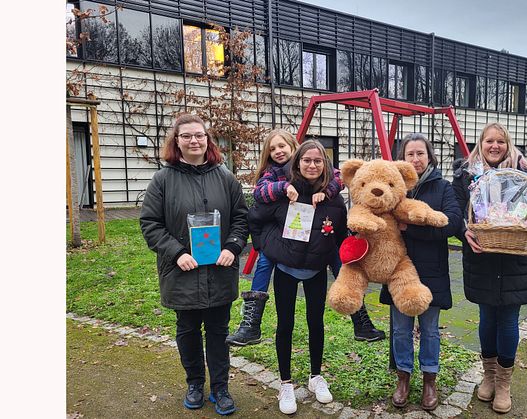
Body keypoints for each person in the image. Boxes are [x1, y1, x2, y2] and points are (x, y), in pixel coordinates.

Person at [226, 129, 385, 346]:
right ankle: (251, 323)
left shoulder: (316, 164)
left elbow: (338, 178)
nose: (278, 152)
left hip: (319, 241)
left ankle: (361, 321)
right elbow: (259, 197)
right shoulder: (274, 174)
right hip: (285, 242)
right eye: (272, 149)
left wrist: (327, 192)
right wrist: (283, 189)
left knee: (342, 265)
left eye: (282, 146)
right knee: (265, 261)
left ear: (294, 147)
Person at [139, 114, 249, 416]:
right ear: (177, 141)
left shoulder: (225, 177)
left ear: (207, 139)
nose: (194, 141)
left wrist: (233, 246)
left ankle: (220, 388)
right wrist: (175, 252)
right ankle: (195, 383)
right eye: (186, 136)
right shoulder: (163, 180)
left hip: (219, 269)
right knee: (187, 330)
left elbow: (240, 218)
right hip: (182, 271)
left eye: (199, 135)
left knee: (218, 330)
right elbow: (150, 223)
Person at [452, 122, 527, 414]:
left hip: (517, 259)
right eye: (489, 141)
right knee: (486, 317)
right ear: (480, 144)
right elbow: (458, 212)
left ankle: (504, 384)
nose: (494, 146)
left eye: (500, 141)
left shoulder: (526, 174)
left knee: (508, 319)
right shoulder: (466, 175)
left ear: (508, 144)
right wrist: (464, 231)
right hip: (482, 256)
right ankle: (488, 376)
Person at [248, 140, 347, 415]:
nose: (312, 165)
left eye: (318, 161)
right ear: (297, 163)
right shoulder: (284, 193)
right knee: (286, 325)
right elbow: (255, 217)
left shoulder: (334, 199)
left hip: (315, 271)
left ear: (325, 165)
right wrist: (265, 246)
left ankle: (316, 376)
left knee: (316, 323)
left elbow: (341, 238)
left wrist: (342, 271)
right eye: (307, 161)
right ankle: (286, 383)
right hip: (286, 271)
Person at [379, 133, 462, 411]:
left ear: (430, 157)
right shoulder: (393, 187)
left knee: (429, 331)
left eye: (420, 154)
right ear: (402, 159)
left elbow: (451, 224)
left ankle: (429, 380)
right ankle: (403, 378)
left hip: (431, 272)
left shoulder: (443, 187)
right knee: (401, 331)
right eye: (409, 154)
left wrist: (410, 229)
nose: (415, 159)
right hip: (397, 270)